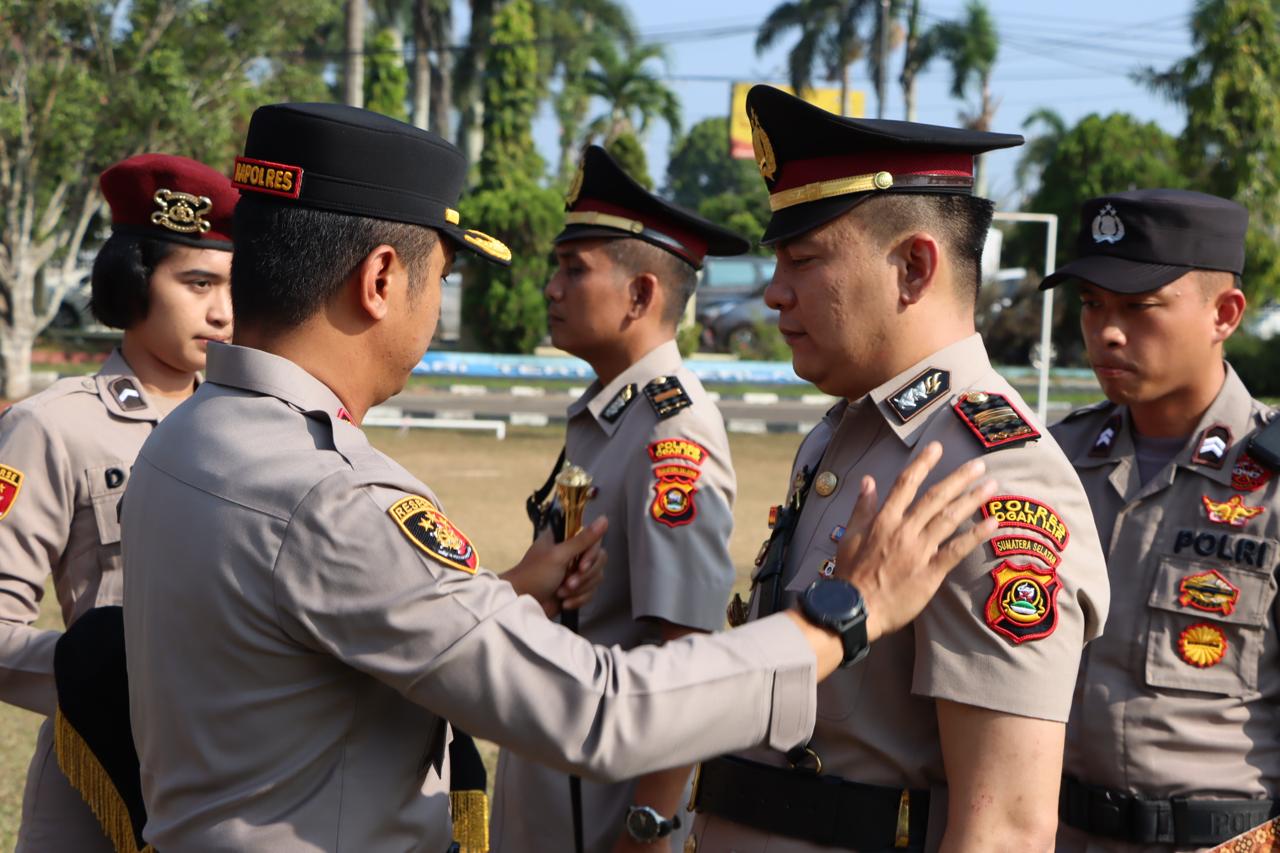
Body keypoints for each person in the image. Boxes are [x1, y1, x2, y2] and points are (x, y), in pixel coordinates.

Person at [120, 102, 1001, 852]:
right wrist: (838, 622)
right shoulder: (329, 493)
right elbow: (599, 708)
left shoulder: (185, 436)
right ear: (384, 278)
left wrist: (501, 595)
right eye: (445, 272)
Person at [687, 85, 1111, 853]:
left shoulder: (991, 476)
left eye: (803, 258)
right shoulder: (848, 431)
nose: (774, 291)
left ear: (914, 267)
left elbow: (1004, 828)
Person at [491, 145, 749, 853]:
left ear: (641, 295)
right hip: (552, 797)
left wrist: (648, 827)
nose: (550, 287)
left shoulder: (673, 430)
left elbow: (689, 656)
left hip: (601, 821)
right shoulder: (611, 416)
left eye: (574, 270)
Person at [0, 153, 236, 851]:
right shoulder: (49, 424)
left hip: (232, 782)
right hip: (95, 782)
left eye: (235, 286)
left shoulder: (249, 425)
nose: (223, 310)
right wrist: (117, 674)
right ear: (134, 283)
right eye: (197, 283)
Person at [1043, 189, 1280, 851]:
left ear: (1224, 313)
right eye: (1092, 304)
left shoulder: (1272, 487)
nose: (1107, 331)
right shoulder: (1050, 465)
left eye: (1139, 307)